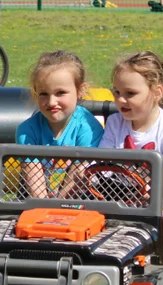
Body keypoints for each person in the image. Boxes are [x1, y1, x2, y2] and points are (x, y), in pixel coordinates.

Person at [99, 51, 163, 246]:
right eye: (116, 92)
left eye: (130, 94)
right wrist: (92, 175)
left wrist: (154, 191)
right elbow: (102, 162)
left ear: (157, 93)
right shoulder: (115, 124)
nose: (121, 100)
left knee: (139, 236)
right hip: (120, 206)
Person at [16, 51, 104, 198]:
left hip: (80, 199)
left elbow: (79, 175)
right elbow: (35, 184)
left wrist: (57, 207)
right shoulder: (27, 130)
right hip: (36, 201)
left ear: (80, 90)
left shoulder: (89, 127)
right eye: (44, 94)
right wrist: (46, 210)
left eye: (60, 93)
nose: (51, 102)